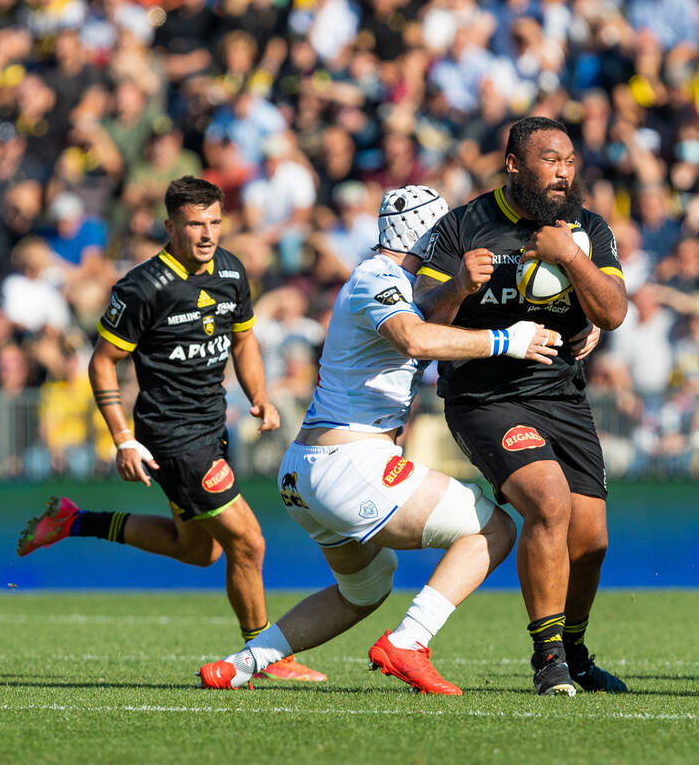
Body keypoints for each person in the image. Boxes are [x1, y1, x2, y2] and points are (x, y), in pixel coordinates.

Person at [198, 185, 562, 693]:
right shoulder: (378, 277)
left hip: (309, 471)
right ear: (427, 234)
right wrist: (508, 340)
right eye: (447, 231)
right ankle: (409, 641)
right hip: (350, 462)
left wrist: (568, 324)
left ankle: (239, 665)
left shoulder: (396, 281)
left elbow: (434, 315)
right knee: (495, 529)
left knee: (365, 589)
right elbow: (414, 338)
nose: (454, 241)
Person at [16, 176, 325, 682]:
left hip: (212, 426)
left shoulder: (231, 271)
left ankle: (73, 521)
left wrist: (259, 396)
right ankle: (266, 656)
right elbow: (102, 362)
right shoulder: (142, 287)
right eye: (195, 224)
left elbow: (243, 340)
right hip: (172, 435)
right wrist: (123, 439)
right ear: (170, 226)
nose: (207, 234)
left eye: (215, 222)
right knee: (249, 542)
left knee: (198, 550)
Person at [413, 117, 629, 695]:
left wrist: (572, 258)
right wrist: (459, 285)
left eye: (570, 161)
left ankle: (575, 653)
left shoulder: (587, 229)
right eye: (550, 160)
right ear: (514, 165)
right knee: (548, 501)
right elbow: (422, 323)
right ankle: (548, 658)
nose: (564, 173)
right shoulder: (463, 225)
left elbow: (612, 312)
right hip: (486, 396)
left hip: (561, 395)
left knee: (591, 540)